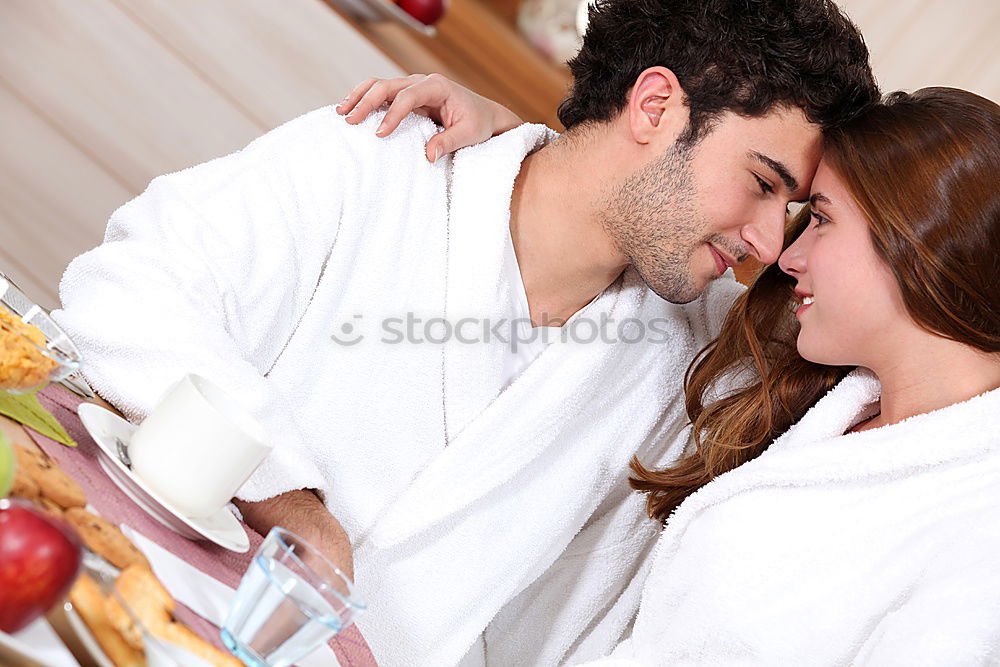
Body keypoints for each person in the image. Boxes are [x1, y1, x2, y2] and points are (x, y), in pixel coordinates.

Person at [52, 1, 877, 665]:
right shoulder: (384, 158)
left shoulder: (687, 370)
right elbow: (133, 285)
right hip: (95, 594)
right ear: (655, 106)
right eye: (762, 184)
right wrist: (292, 502)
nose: (770, 242)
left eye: (796, 211)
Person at [358, 83, 1000, 663]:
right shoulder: (816, 399)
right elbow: (638, 228)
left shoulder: (976, 535)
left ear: (923, 237)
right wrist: (516, 158)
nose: (784, 252)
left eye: (821, 218)